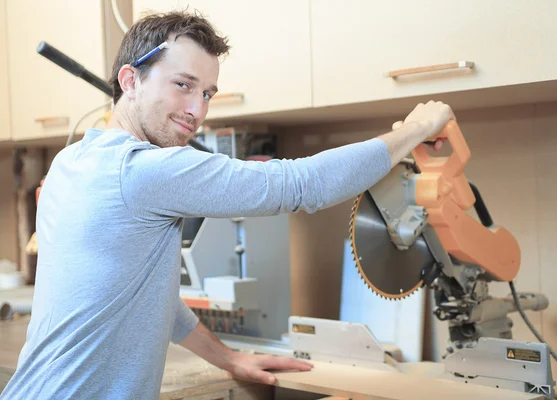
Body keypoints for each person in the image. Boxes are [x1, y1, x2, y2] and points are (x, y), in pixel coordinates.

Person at [1, 9, 454, 400]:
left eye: (207, 93)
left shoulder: (69, 163)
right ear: (129, 80)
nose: (197, 110)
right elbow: (300, 184)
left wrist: (230, 359)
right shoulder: (147, 171)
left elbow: (150, 296)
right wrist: (414, 129)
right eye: (183, 85)